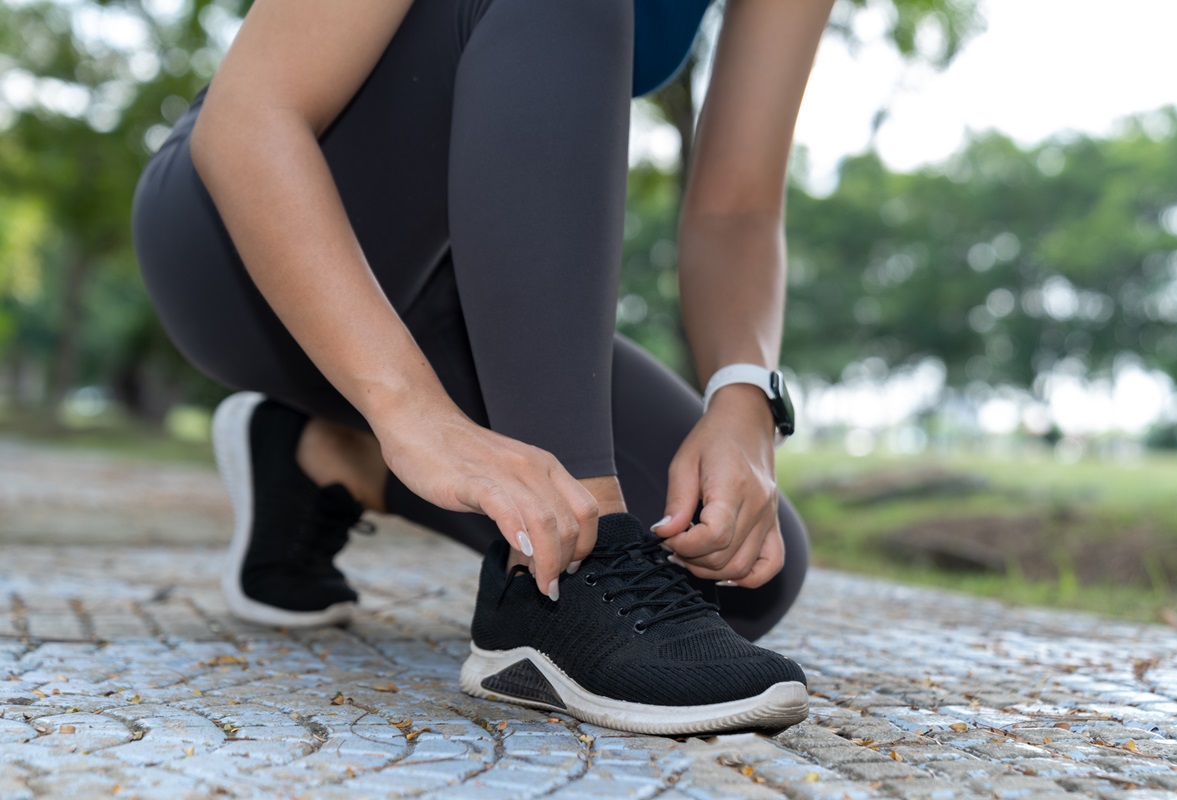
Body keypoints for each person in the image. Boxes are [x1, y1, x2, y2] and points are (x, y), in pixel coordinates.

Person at [132, 0, 834, 735]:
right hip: (242, 244)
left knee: (743, 568)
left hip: (450, 298)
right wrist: (410, 412)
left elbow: (737, 204)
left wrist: (743, 398)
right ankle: (555, 583)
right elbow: (249, 119)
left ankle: (318, 456)